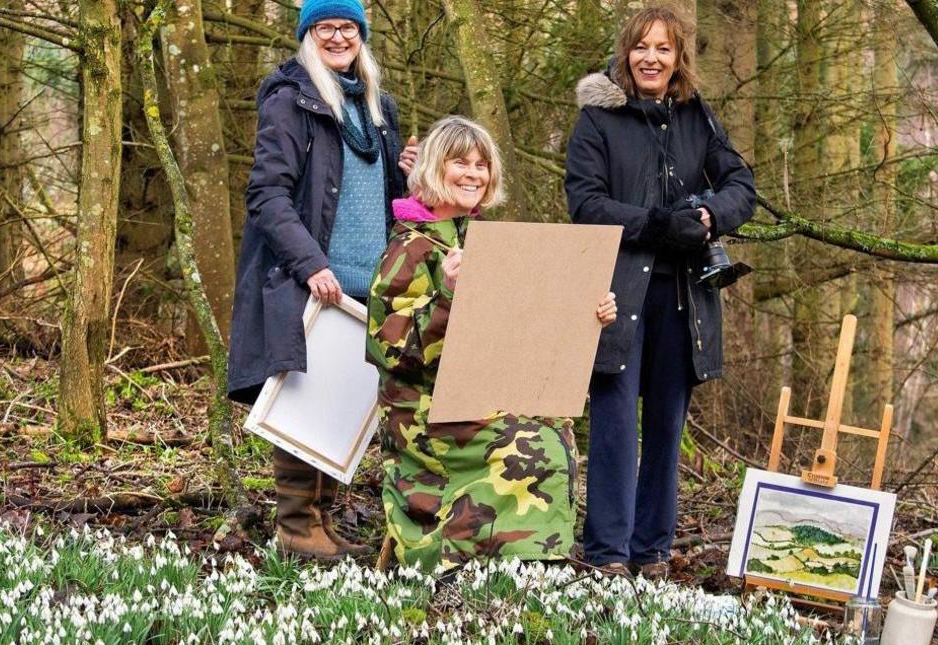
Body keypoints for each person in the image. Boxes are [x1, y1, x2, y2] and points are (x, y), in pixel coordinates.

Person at [366, 116, 618, 572]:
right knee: (529, 442)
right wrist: (444, 293)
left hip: (478, 392)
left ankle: (527, 562)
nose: (473, 173)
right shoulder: (410, 248)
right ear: (433, 169)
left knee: (555, 429)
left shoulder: (481, 238)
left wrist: (587, 315)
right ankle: (480, 561)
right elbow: (391, 353)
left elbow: (523, 327)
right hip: (425, 411)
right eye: (459, 162)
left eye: (482, 165)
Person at [564, 6, 756, 578]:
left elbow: (741, 184)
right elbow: (586, 203)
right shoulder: (598, 120)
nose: (652, 58)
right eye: (641, 47)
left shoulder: (698, 116)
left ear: (679, 59)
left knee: (667, 423)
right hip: (616, 291)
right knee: (616, 422)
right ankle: (607, 554)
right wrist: (655, 224)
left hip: (684, 295)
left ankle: (651, 552)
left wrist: (706, 216)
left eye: (664, 49)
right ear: (626, 54)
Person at [227, 0, 419, 561]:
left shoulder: (379, 107)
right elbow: (267, 194)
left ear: (361, 34)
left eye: (348, 27)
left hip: (370, 286)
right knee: (305, 401)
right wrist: (311, 264)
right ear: (308, 35)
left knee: (342, 401)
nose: (338, 36)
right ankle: (295, 525)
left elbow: (387, 205)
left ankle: (322, 521)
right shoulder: (291, 101)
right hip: (310, 281)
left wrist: (407, 176)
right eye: (325, 27)